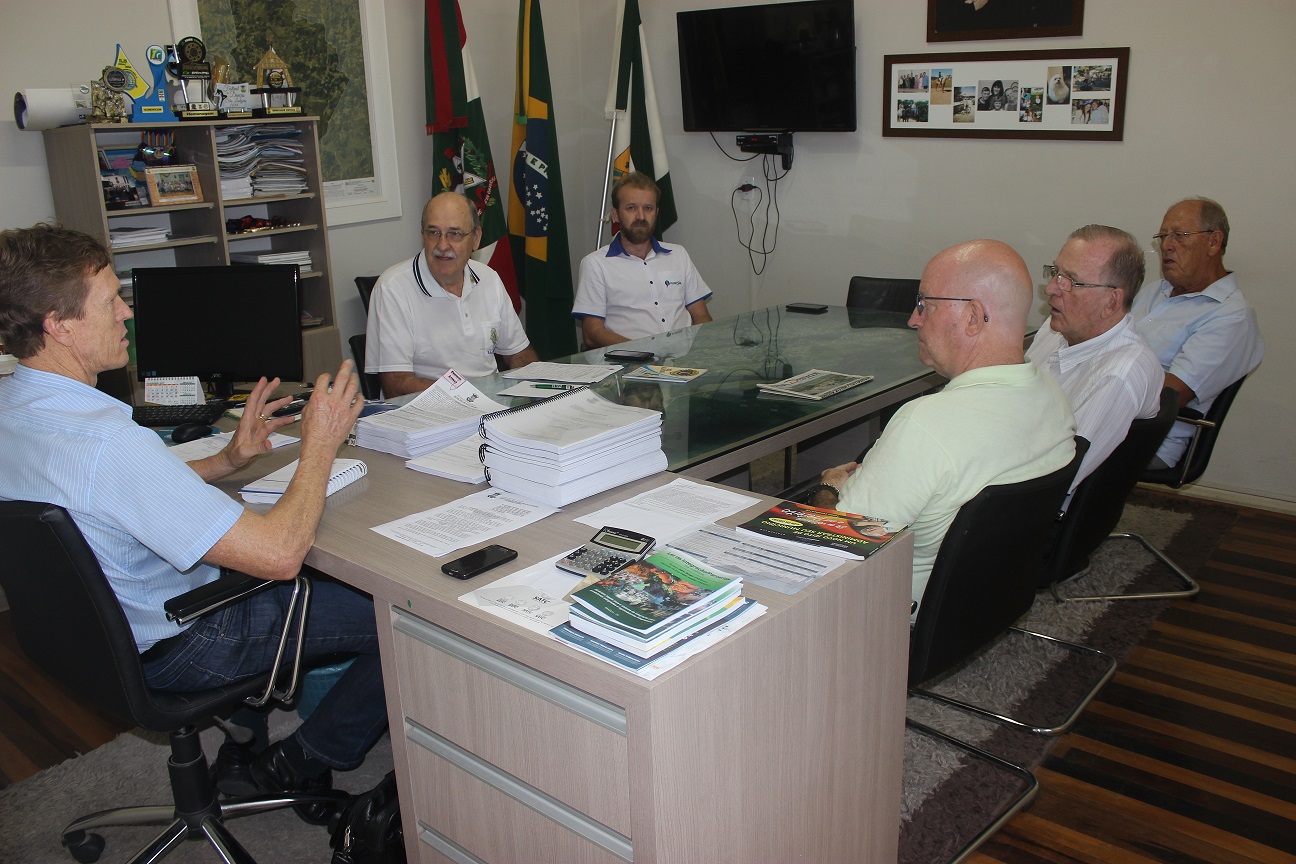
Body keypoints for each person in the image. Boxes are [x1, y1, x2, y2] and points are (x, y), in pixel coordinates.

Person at [0, 224, 384, 825]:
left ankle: (244, 741)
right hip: (183, 641)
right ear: (60, 325)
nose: (127, 312)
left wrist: (226, 461)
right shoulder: (107, 440)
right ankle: (302, 759)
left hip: (87, 643)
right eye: (110, 300)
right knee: (398, 619)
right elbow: (280, 554)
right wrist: (320, 442)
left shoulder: (16, 409)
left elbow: (104, 495)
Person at [807, 240, 1076, 615]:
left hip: (888, 615)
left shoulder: (924, 425)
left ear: (972, 317)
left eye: (924, 304)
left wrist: (828, 489)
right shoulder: (1053, 395)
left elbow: (831, 547)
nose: (913, 319)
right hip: (981, 605)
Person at [1026, 225, 1163, 495]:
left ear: (1111, 301)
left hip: (1027, 504)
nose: (1051, 289)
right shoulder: (1056, 330)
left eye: (1071, 281)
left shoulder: (1118, 375)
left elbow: (1055, 478)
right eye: (1055, 273)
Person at [1131, 197, 1264, 469]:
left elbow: (1171, 396)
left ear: (1214, 242)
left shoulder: (1230, 316)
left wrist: (1095, 385)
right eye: (1163, 236)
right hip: (1104, 415)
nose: (1166, 245)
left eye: (1179, 235)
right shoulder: (1154, 292)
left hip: (1145, 437)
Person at [366, 192, 537, 396]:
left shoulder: (489, 278)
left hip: (490, 404)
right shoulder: (392, 288)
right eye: (433, 232)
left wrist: (536, 382)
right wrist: (469, 394)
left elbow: (519, 353)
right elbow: (396, 385)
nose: (442, 245)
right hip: (430, 409)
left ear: (476, 238)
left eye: (454, 234)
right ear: (423, 236)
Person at [573, 171, 713, 348]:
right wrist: (645, 353)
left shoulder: (678, 254)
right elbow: (592, 334)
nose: (641, 216)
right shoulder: (596, 264)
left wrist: (705, 349)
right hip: (630, 361)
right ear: (615, 215)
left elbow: (701, 315)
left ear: (656, 213)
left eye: (648, 208)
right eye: (631, 208)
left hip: (684, 358)